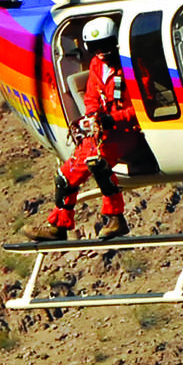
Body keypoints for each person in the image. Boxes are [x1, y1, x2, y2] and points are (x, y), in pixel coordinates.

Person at [29, 17, 140, 241]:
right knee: (65, 175)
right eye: (95, 48)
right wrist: (92, 117)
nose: (101, 52)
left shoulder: (132, 66)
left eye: (105, 46)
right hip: (105, 133)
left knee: (98, 162)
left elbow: (143, 106)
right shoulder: (96, 66)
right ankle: (58, 225)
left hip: (129, 132)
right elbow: (91, 97)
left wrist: (112, 118)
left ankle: (116, 217)